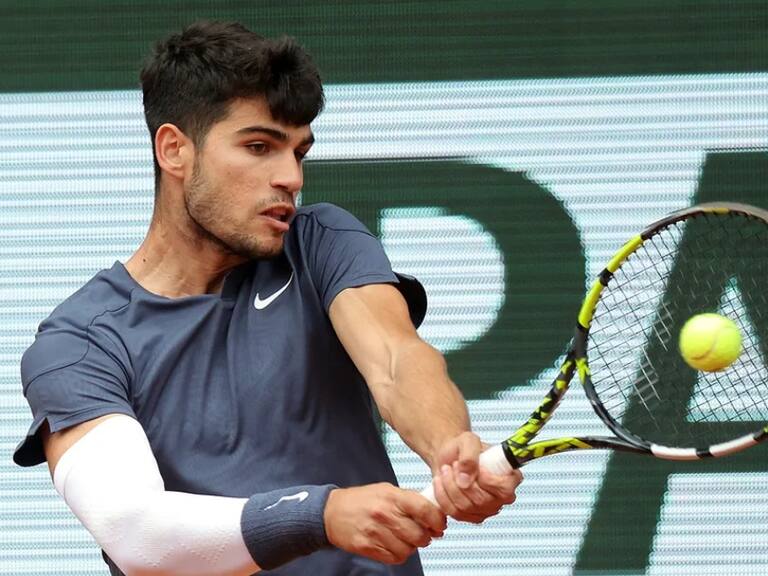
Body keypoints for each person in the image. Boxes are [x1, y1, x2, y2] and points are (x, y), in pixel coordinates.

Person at [13, 21, 523, 576]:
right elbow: (137, 534)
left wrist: (449, 449)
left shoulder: (321, 242)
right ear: (174, 150)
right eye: (259, 146)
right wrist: (319, 515)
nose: (290, 177)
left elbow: (397, 360)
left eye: (299, 152)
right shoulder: (80, 343)